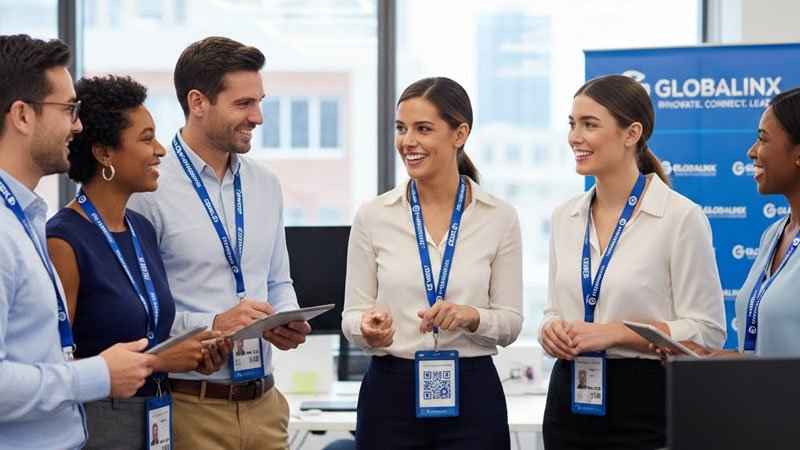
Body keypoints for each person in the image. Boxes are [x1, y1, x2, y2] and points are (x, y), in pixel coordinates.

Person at [128, 36, 311, 449]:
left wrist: (286, 318)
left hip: (265, 405)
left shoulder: (266, 184)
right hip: (189, 406)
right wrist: (213, 324)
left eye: (259, 101)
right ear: (198, 102)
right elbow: (140, 311)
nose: (258, 117)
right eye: (244, 104)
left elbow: (278, 280)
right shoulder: (148, 186)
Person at [539, 74, 726, 449]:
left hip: (644, 400)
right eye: (572, 124)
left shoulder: (679, 216)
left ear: (631, 133)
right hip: (568, 394)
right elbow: (554, 309)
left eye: (590, 125)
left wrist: (619, 332)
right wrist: (549, 330)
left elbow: (706, 331)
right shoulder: (565, 216)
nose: (575, 136)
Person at [46, 75, 228, 449]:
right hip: (98, 422)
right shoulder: (63, 240)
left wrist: (194, 355)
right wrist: (162, 361)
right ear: (105, 154)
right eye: (146, 138)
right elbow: (54, 366)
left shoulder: (141, 228)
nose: (160, 150)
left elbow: (149, 330)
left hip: (156, 418)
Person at [342, 76, 523, 449]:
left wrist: (472, 316)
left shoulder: (499, 216)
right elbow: (351, 316)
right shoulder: (374, 215)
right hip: (390, 394)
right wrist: (366, 326)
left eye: (423, 129)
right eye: (401, 128)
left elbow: (511, 323)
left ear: (460, 134)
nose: (408, 141)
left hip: (472, 394)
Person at [0, 34, 156, 449]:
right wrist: (99, 373)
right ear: (22, 115)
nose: (78, 125)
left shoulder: (25, 217)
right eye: (68, 109)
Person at [659, 87, 800, 359]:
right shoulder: (774, 234)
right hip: (766, 400)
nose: (751, 152)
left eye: (763, 139)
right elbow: (772, 351)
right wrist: (714, 357)